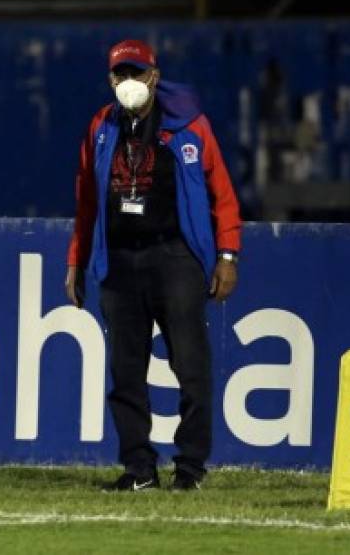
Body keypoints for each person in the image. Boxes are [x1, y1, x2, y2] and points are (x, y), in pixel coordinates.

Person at [65, 39, 240, 492]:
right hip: (120, 260)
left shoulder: (189, 125)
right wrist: (75, 262)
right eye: (120, 74)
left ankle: (190, 469)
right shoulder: (101, 127)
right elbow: (87, 201)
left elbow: (222, 193)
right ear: (110, 80)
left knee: (190, 365)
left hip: (175, 256)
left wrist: (227, 255)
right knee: (125, 371)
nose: (129, 83)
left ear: (154, 77)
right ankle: (139, 468)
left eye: (137, 73)